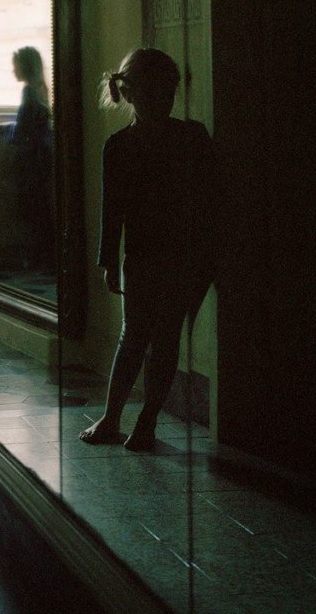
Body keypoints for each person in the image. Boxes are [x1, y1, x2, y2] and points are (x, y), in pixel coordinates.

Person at [79, 47, 217, 452]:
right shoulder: (175, 139)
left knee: (149, 337)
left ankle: (139, 419)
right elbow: (113, 209)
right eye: (156, 92)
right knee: (145, 337)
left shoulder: (159, 141)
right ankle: (125, 419)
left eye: (167, 92)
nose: (164, 100)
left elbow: (211, 200)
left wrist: (109, 261)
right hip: (150, 256)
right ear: (132, 94)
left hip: (173, 257)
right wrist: (109, 261)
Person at [10, 46, 54, 267]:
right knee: (39, 208)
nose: (13, 70)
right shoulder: (40, 90)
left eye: (15, 65)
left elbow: (21, 131)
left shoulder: (29, 92)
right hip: (41, 157)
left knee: (29, 209)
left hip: (31, 160)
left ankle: (35, 257)